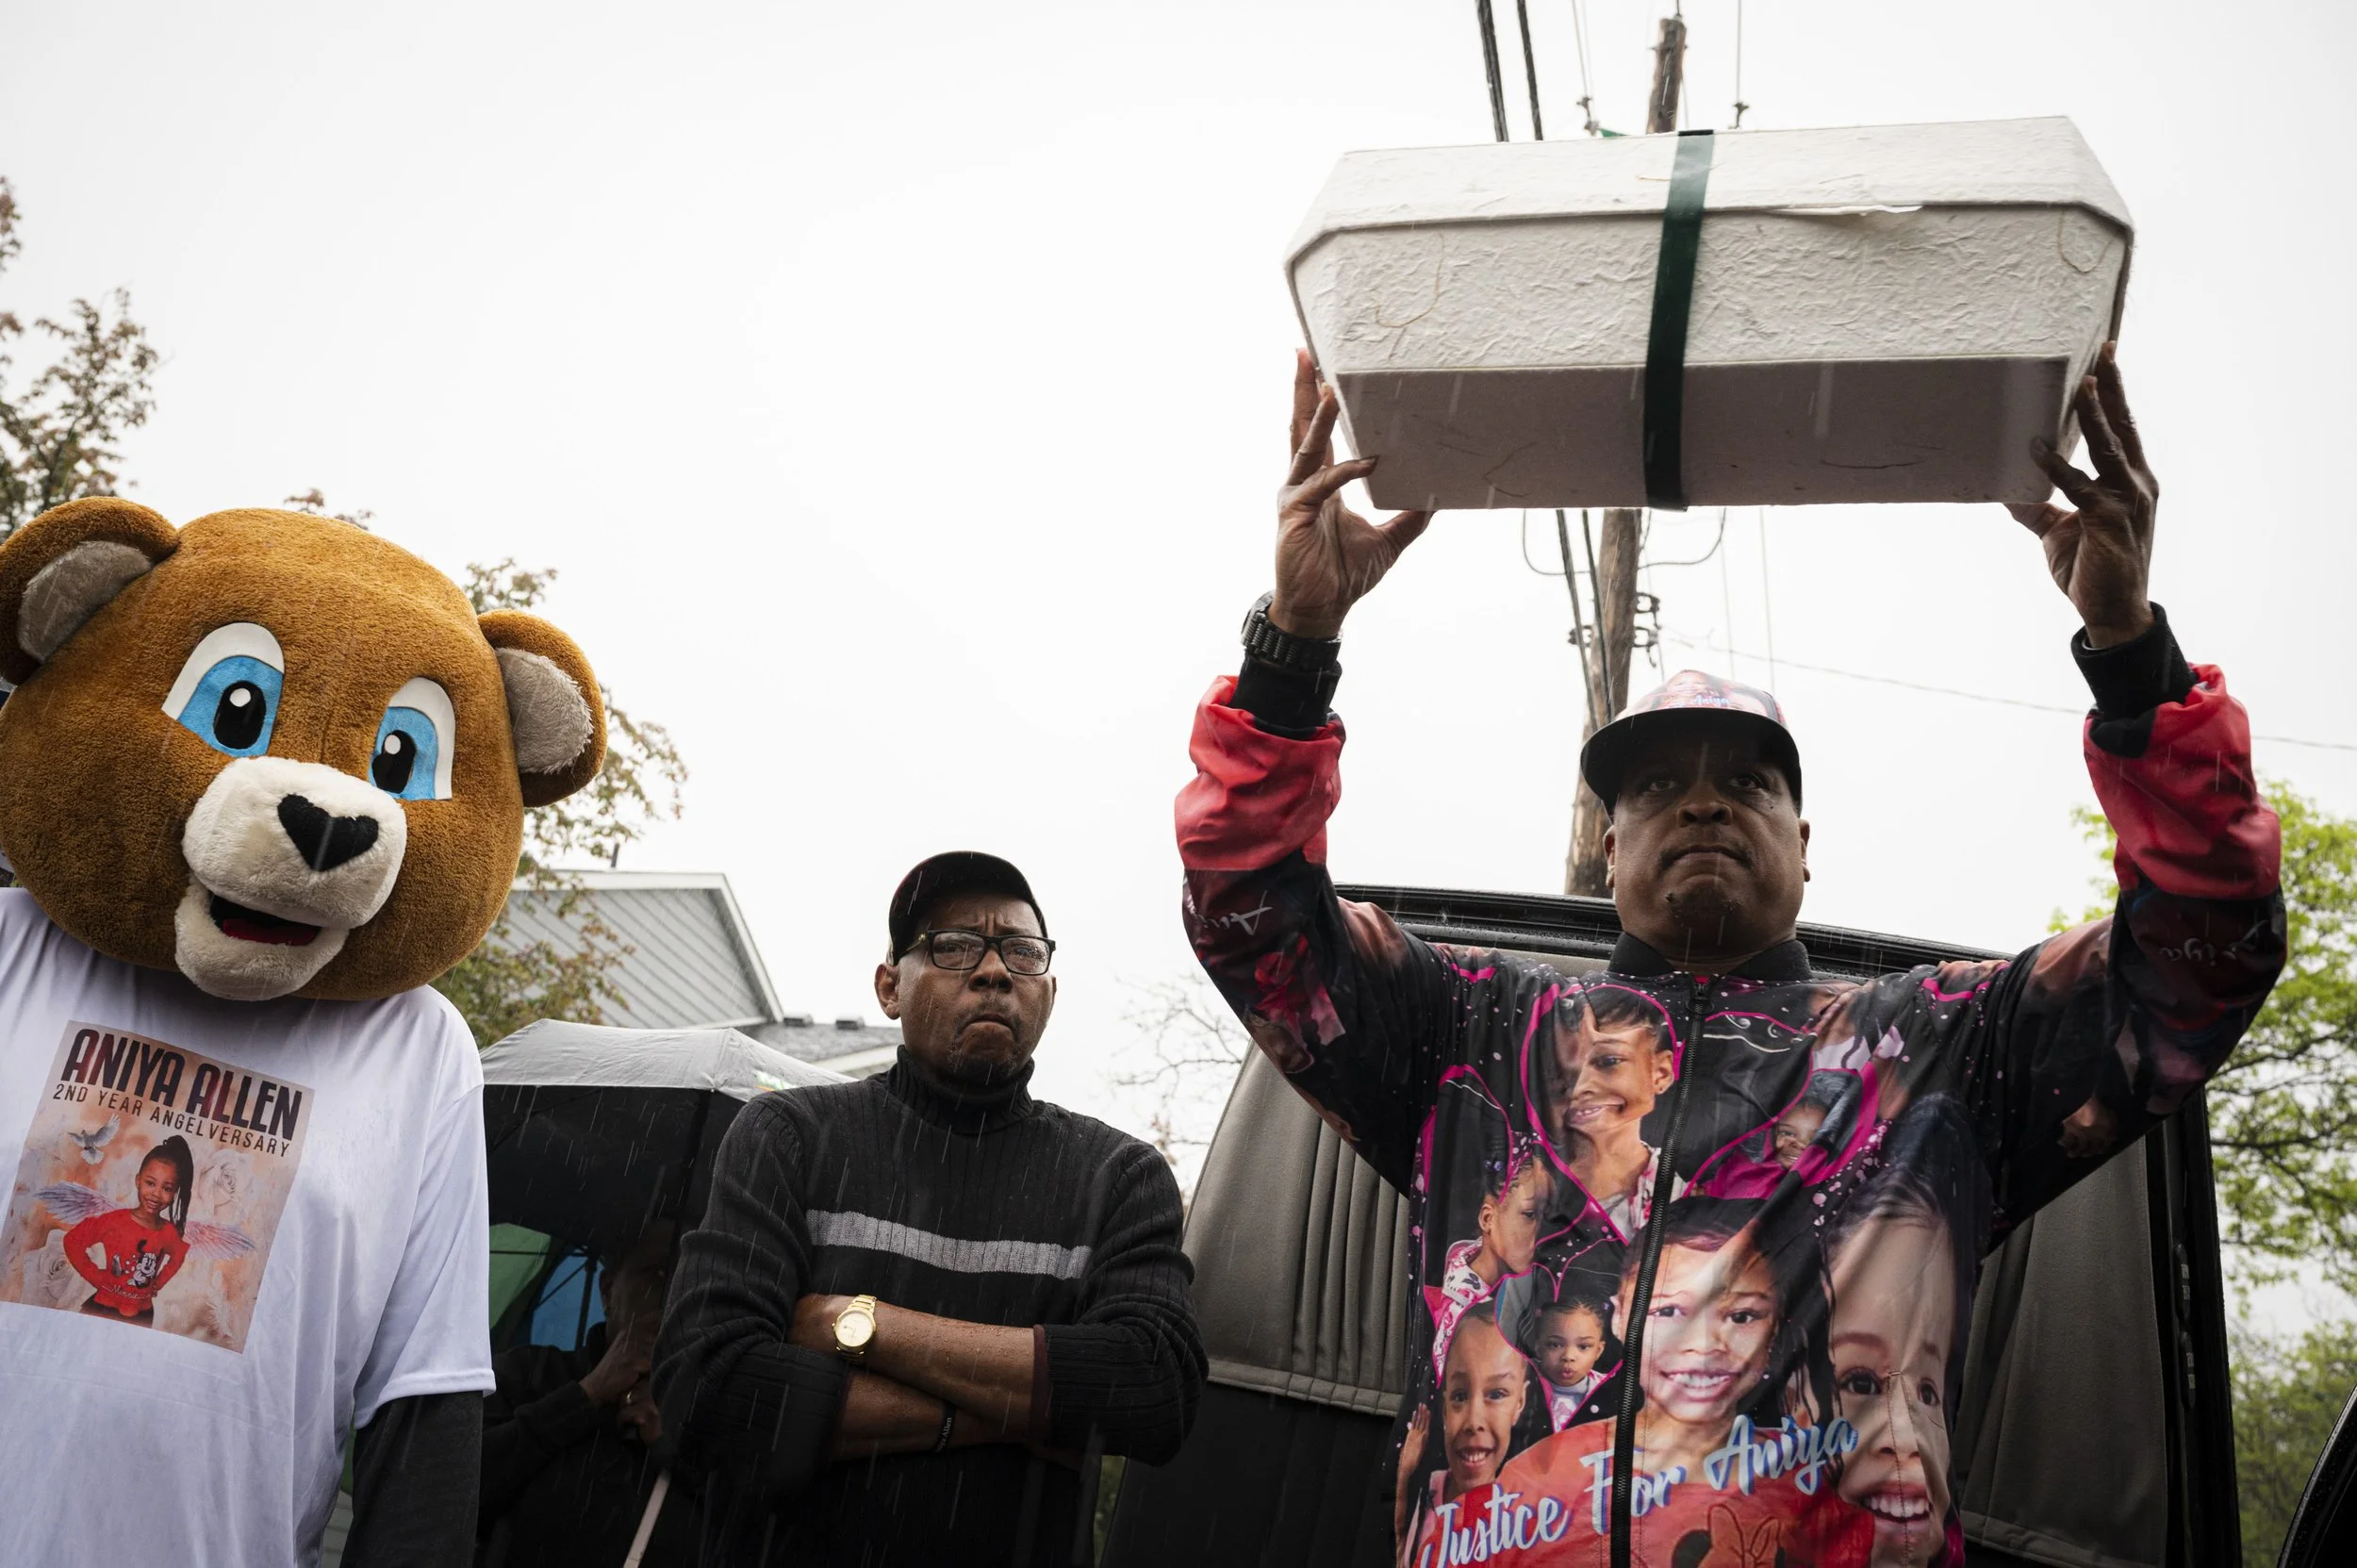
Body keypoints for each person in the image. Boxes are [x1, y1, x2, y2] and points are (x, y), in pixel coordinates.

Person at [1175, 345, 2283, 1566]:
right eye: (1659, 784)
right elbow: (1250, 915)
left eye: (1745, 778)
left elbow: (2206, 946)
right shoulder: (1471, 1031)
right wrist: (1294, 642)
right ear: (1608, 842)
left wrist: (2128, 646)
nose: (1703, 802)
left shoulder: (1941, 1050)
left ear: (1803, 844)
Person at [654, 851, 1207, 1566]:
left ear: (1049, 989)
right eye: (953, 946)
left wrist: (854, 1323)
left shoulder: (1119, 1176)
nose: (994, 970)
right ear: (889, 986)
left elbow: (1154, 1387)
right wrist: (1021, 1411)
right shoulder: (790, 1138)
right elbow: (705, 1387)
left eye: (1022, 951)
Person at [478, 1224, 700, 1567]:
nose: (671, 1291)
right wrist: (586, 1396)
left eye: (688, 1275)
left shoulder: (712, 1410)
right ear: (608, 1291)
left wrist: (672, 1448)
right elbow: (460, 1489)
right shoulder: (526, 1374)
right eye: (654, 1273)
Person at [1536, 988, 1678, 1235]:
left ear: (1661, 1072)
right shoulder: (1516, 1187)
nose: (1579, 1087)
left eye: (1608, 1062)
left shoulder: (1686, 1200)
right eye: (1561, 1065)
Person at [61, 1135, 194, 1323]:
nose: (156, 1194)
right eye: (150, 1183)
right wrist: (96, 1277)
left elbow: (178, 1255)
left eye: (167, 1188)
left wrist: (158, 1283)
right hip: (102, 1309)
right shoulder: (114, 1221)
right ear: (138, 1181)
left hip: (142, 1316)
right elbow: (72, 1240)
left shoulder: (168, 1233)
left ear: (174, 1194)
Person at [1531, 1289, 1614, 1429]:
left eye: (1583, 1346)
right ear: (1538, 1347)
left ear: (1598, 1351)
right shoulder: (1521, 1381)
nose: (1568, 1356)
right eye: (1555, 1345)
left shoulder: (1609, 1391)